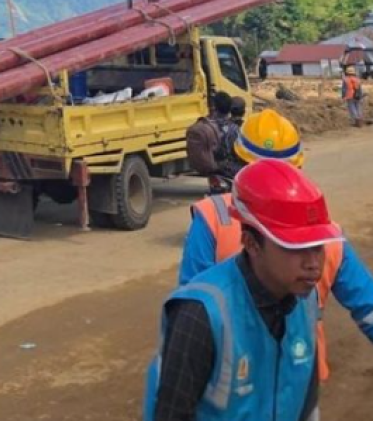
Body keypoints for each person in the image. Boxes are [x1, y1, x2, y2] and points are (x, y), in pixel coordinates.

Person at [180, 109, 373, 383]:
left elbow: (190, 304)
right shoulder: (326, 233)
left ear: (238, 160)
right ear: (299, 169)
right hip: (299, 372)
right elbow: (368, 306)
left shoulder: (214, 217)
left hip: (235, 379)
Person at [145, 159, 343, 420]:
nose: (314, 264)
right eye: (295, 248)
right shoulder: (200, 316)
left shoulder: (305, 301)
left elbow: (306, 406)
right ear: (251, 243)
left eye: (317, 246)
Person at [186, 92, 233, 177]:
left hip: (212, 167)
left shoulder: (207, 124)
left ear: (214, 107)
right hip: (226, 168)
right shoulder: (234, 127)